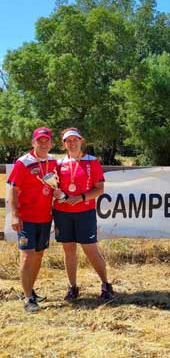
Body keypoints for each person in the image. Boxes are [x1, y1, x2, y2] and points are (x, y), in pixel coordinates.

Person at [53, 127, 113, 301]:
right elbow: (54, 188)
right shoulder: (59, 163)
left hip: (84, 212)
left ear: (81, 141)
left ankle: (106, 284)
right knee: (68, 249)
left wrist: (81, 197)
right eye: (68, 141)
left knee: (90, 250)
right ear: (63, 144)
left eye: (75, 140)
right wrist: (57, 194)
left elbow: (99, 189)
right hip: (62, 212)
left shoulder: (91, 161)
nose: (72, 143)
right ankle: (72, 287)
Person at [8, 127, 57, 312]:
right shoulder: (23, 162)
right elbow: (12, 188)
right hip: (26, 218)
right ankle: (28, 299)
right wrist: (14, 214)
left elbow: (56, 183)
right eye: (40, 141)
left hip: (45, 217)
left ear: (51, 143)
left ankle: (31, 291)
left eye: (47, 141)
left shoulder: (53, 161)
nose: (43, 144)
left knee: (38, 254)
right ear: (33, 142)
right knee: (27, 255)